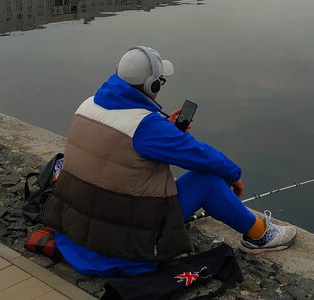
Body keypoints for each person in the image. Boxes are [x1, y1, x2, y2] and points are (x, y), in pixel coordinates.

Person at [41, 47, 296, 277]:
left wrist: (167, 128)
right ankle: (259, 235)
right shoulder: (147, 127)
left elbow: (119, 147)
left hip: (74, 237)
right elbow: (201, 156)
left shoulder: (87, 105)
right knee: (207, 180)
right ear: (152, 86)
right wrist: (233, 174)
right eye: (160, 81)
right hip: (119, 249)